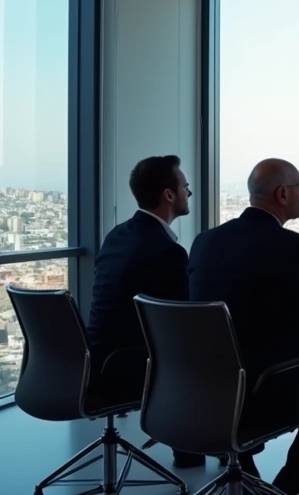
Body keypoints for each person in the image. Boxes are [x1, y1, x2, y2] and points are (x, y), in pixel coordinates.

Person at [188, 159, 299, 495]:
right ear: (283, 194)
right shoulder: (292, 246)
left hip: (204, 388)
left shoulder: (206, 241)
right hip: (263, 389)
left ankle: (244, 469)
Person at [86, 155, 202, 467]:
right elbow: (183, 324)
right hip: (127, 369)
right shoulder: (167, 250)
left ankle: (192, 448)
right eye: (185, 186)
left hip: (93, 361)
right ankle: (210, 448)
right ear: (169, 195)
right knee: (209, 355)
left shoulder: (117, 235)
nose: (189, 192)